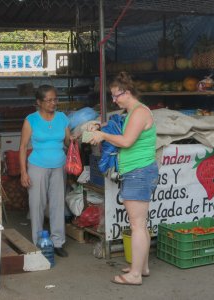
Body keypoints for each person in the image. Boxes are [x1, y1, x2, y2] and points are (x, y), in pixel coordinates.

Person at [88, 72, 158, 285]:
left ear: (127, 92)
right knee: (141, 224)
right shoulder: (131, 112)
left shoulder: (139, 112)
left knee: (137, 224)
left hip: (139, 171)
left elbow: (126, 141)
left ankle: (135, 275)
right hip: (138, 170)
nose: (114, 100)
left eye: (116, 95)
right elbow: (119, 129)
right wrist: (101, 127)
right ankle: (142, 267)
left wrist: (103, 136)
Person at [19, 84, 71, 258]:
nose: (53, 103)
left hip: (59, 165)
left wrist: (75, 139)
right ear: (39, 102)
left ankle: (57, 242)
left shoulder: (62, 118)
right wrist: (23, 172)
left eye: (55, 99)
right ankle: (38, 242)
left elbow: (67, 143)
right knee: (37, 205)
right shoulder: (31, 120)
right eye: (48, 100)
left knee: (57, 205)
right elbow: (23, 146)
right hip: (37, 166)